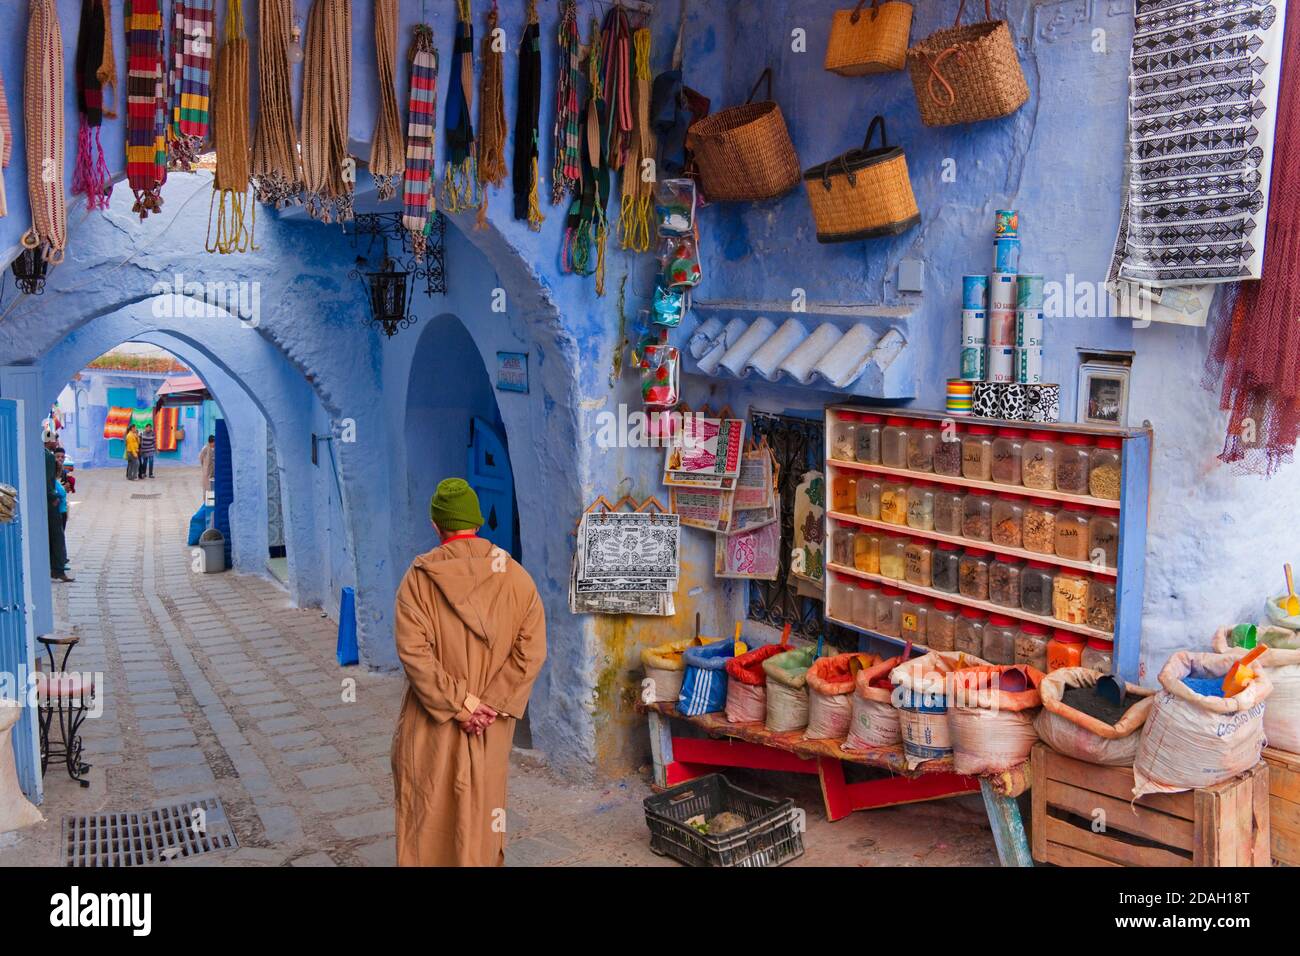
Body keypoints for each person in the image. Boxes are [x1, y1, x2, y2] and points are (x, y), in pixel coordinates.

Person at [391, 478, 546, 867]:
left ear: (435, 524)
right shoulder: (517, 578)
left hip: (433, 719)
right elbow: (531, 651)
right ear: (477, 523)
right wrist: (489, 704)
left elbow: (414, 653)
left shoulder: (417, 581)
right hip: (491, 725)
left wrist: (461, 703)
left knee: (428, 810)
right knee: (483, 809)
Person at [43, 430, 72, 582]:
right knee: (57, 536)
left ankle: (55, 567)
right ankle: (58, 569)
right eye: (55, 440)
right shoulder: (47, 456)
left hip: (49, 501)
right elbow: (48, 479)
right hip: (51, 503)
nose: (57, 443)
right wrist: (53, 496)